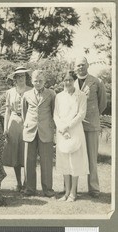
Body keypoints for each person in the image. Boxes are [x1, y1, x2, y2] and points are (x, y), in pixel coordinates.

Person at [74, 57, 107, 198]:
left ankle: (94, 189)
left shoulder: (97, 82)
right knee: (74, 156)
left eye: (83, 64)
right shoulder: (71, 82)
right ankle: (71, 188)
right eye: (78, 65)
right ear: (75, 68)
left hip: (92, 125)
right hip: (76, 126)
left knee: (92, 158)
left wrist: (93, 114)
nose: (80, 67)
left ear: (88, 65)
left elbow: (103, 103)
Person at [54, 71, 89, 202]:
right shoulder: (59, 96)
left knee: (75, 162)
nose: (67, 82)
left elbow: (81, 114)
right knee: (64, 162)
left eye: (70, 79)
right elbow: (56, 115)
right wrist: (62, 128)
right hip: (62, 132)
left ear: (74, 80)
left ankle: (73, 193)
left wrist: (68, 127)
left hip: (75, 130)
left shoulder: (81, 95)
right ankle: (66, 192)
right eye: (65, 79)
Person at [22, 70, 56, 197]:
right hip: (30, 130)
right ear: (31, 81)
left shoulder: (51, 94)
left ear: (44, 81)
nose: (38, 83)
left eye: (40, 80)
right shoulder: (26, 95)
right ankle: (30, 189)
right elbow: (24, 113)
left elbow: (54, 113)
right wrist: (28, 125)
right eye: (35, 80)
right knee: (29, 161)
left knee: (46, 162)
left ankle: (48, 190)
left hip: (45, 131)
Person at [2, 67, 32, 192]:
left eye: (23, 76)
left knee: (26, 153)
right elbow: (7, 111)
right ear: (15, 79)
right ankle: (18, 182)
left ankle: (26, 183)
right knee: (15, 153)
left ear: (26, 78)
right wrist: (5, 128)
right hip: (13, 123)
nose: (21, 79)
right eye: (18, 76)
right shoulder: (10, 92)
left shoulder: (31, 91)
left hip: (27, 122)